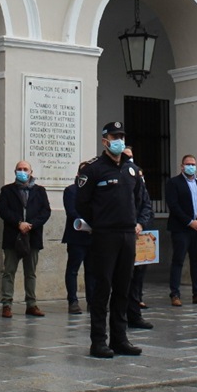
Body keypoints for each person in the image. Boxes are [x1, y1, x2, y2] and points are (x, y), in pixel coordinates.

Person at [76, 121, 144, 358]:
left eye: (122, 136)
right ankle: (98, 341)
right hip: (104, 235)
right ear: (105, 140)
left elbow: (139, 199)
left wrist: (136, 221)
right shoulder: (93, 170)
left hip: (127, 235)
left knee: (123, 288)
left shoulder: (131, 169)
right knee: (101, 289)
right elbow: (82, 203)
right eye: (115, 136)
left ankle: (120, 338)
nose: (119, 141)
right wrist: (100, 222)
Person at [0, 160, 51, 318]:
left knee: (31, 272)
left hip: (32, 237)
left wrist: (31, 225)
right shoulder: (7, 190)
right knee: (9, 271)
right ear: (15, 172)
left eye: (25, 169)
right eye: (19, 169)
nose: (22, 171)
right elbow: (3, 210)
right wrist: (19, 223)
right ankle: (6, 304)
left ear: (31, 172)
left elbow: (45, 211)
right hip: (13, 236)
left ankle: (31, 304)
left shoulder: (40, 191)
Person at [165, 154, 197, 306]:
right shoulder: (174, 182)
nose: (191, 166)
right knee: (178, 260)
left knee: (196, 261)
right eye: (188, 164)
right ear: (182, 166)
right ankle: (175, 294)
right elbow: (173, 205)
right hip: (181, 228)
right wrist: (189, 222)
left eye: (193, 164)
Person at [125, 146, 155, 331]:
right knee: (121, 278)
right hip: (121, 233)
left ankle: (134, 314)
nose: (129, 160)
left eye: (131, 157)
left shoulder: (138, 179)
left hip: (139, 234)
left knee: (138, 277)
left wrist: (140, 224)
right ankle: (119, 316)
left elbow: (146, 205)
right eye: (125, 157)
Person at [62, 161, 93, 315]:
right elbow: (72, 211)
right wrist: (88, 224)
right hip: (76, 236)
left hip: (93, 237)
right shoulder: (71, 190)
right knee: (73, 270)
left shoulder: (96, 190)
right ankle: (73, 301)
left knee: (92, 271)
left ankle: (92, 301)